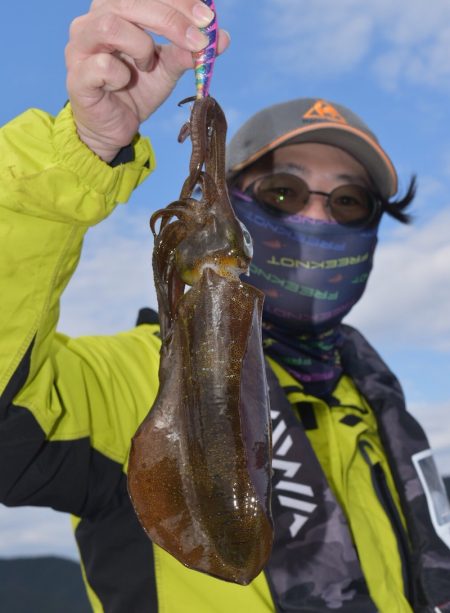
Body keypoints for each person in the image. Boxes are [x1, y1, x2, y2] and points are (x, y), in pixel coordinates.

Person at [0, 1, 449, 612]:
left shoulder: (377, 413)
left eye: (348, 204)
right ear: (235, 204)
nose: (316, 218)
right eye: (283, 192)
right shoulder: (129, 386)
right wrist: (80, 150)